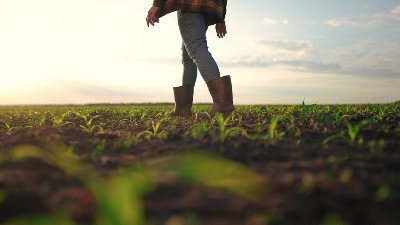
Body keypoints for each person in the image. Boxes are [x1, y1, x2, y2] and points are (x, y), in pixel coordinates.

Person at [146, 0, 234, 118]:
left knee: (196, 48)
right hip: (210, 7)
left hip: (190, 4)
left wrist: (157, 4)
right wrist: (221, 18)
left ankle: (222, 104)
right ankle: (183, 108)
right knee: (189, 57)